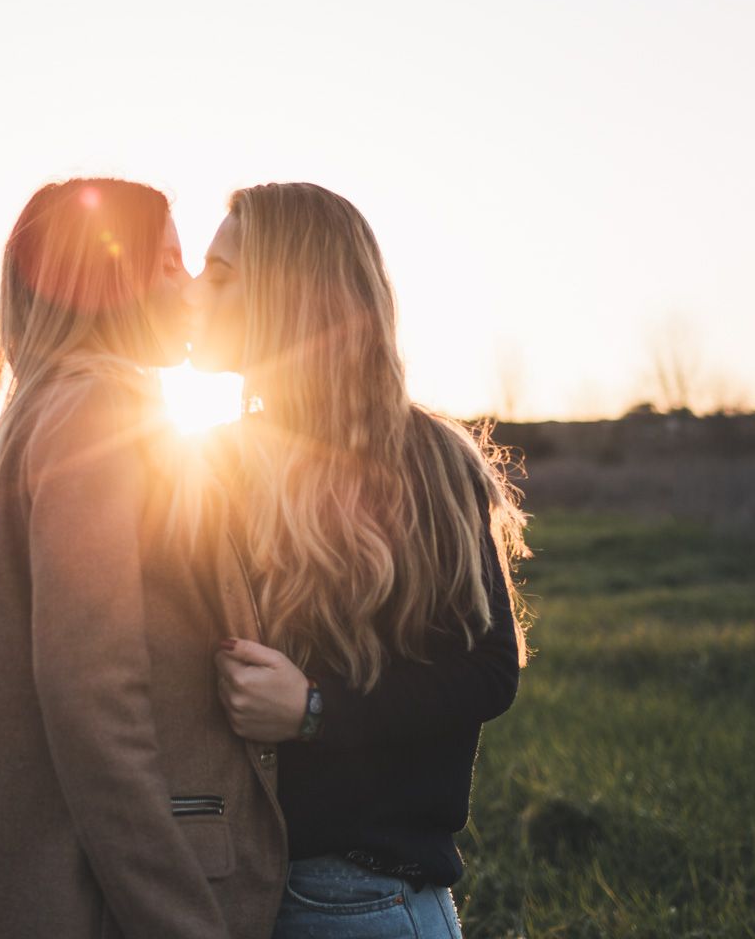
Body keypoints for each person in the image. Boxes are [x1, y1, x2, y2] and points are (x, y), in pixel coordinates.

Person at [0, 177, 286, 939]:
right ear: (106, 278)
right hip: (98, 891)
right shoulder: (96, 413)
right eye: (169, 264)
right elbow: (92, 695)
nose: (190, 292)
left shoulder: (37, 410)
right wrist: (176, 917)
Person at [187, 181, 532, 939]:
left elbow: (488, 670)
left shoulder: (429, 460)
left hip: (358, 898)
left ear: (285, 296)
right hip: (240, 887)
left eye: (219, 274)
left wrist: (315, 710)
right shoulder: (207, 463)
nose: (190, 291)